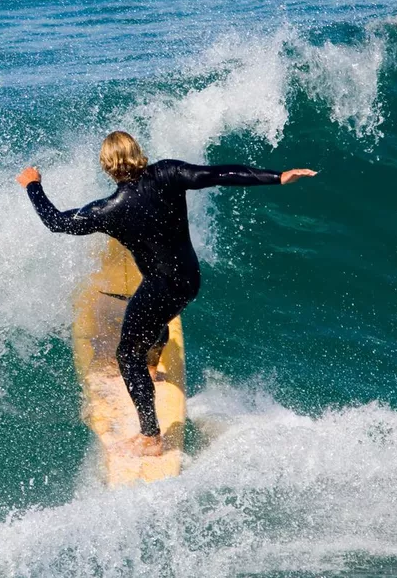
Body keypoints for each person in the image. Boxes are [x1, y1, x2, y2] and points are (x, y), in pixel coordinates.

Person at [16, 131, 316, 456]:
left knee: (126, 354)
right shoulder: (168, 174)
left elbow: (58, 222)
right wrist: (277, 177)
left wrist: (33, 185)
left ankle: (150, 436)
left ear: (107, 166)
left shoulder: (108, 210)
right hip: (189, 279)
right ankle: (154, 360)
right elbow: (218, 174)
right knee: (150, 313)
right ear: (137, 153)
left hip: (160, 288)